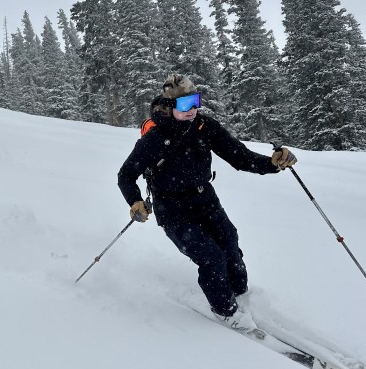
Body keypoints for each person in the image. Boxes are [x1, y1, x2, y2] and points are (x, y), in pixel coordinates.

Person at [117, 74, 297, 331]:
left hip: (204, 198)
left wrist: (272, 164)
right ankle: (225, 311)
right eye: (183, 105)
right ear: (169, 107)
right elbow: (125, 175)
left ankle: (241, 293)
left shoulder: (204, 127)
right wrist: (135, 202)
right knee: (211, 257)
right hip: (172, 208)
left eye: (195, 101)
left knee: (229, 242)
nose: (192, 109)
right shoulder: (154, 139)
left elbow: (240, 156)